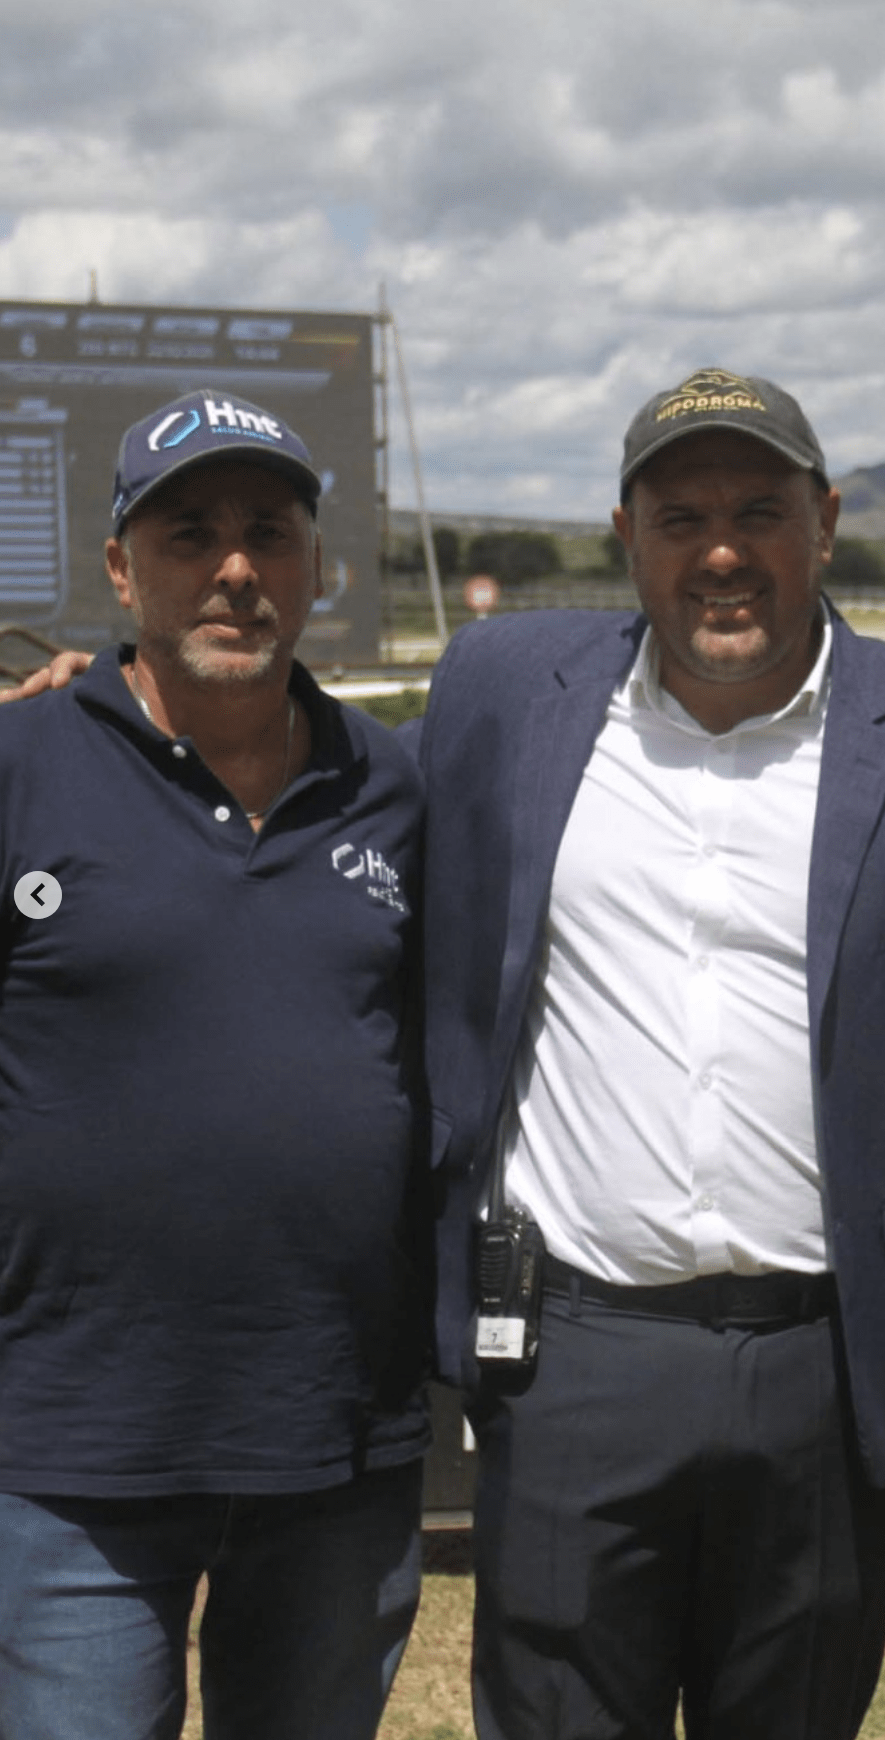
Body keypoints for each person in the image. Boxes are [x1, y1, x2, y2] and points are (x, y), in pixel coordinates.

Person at [416, 367, 885, 1739]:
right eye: (681, 515)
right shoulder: (499, 690)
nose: (721, 551)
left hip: (833, 1370)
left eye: (760, 510)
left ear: (825, 521)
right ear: (626, 535)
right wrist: (77, 716)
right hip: (571, 1353)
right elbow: (313, 791)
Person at [0, 390, 431, 1740]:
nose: (234, 567)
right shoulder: (18, 760)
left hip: (336, 1436)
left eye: (269, 532)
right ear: (123, 570)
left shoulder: (397, 788)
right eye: (190, 533)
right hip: (69, 1443)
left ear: (319, 567)